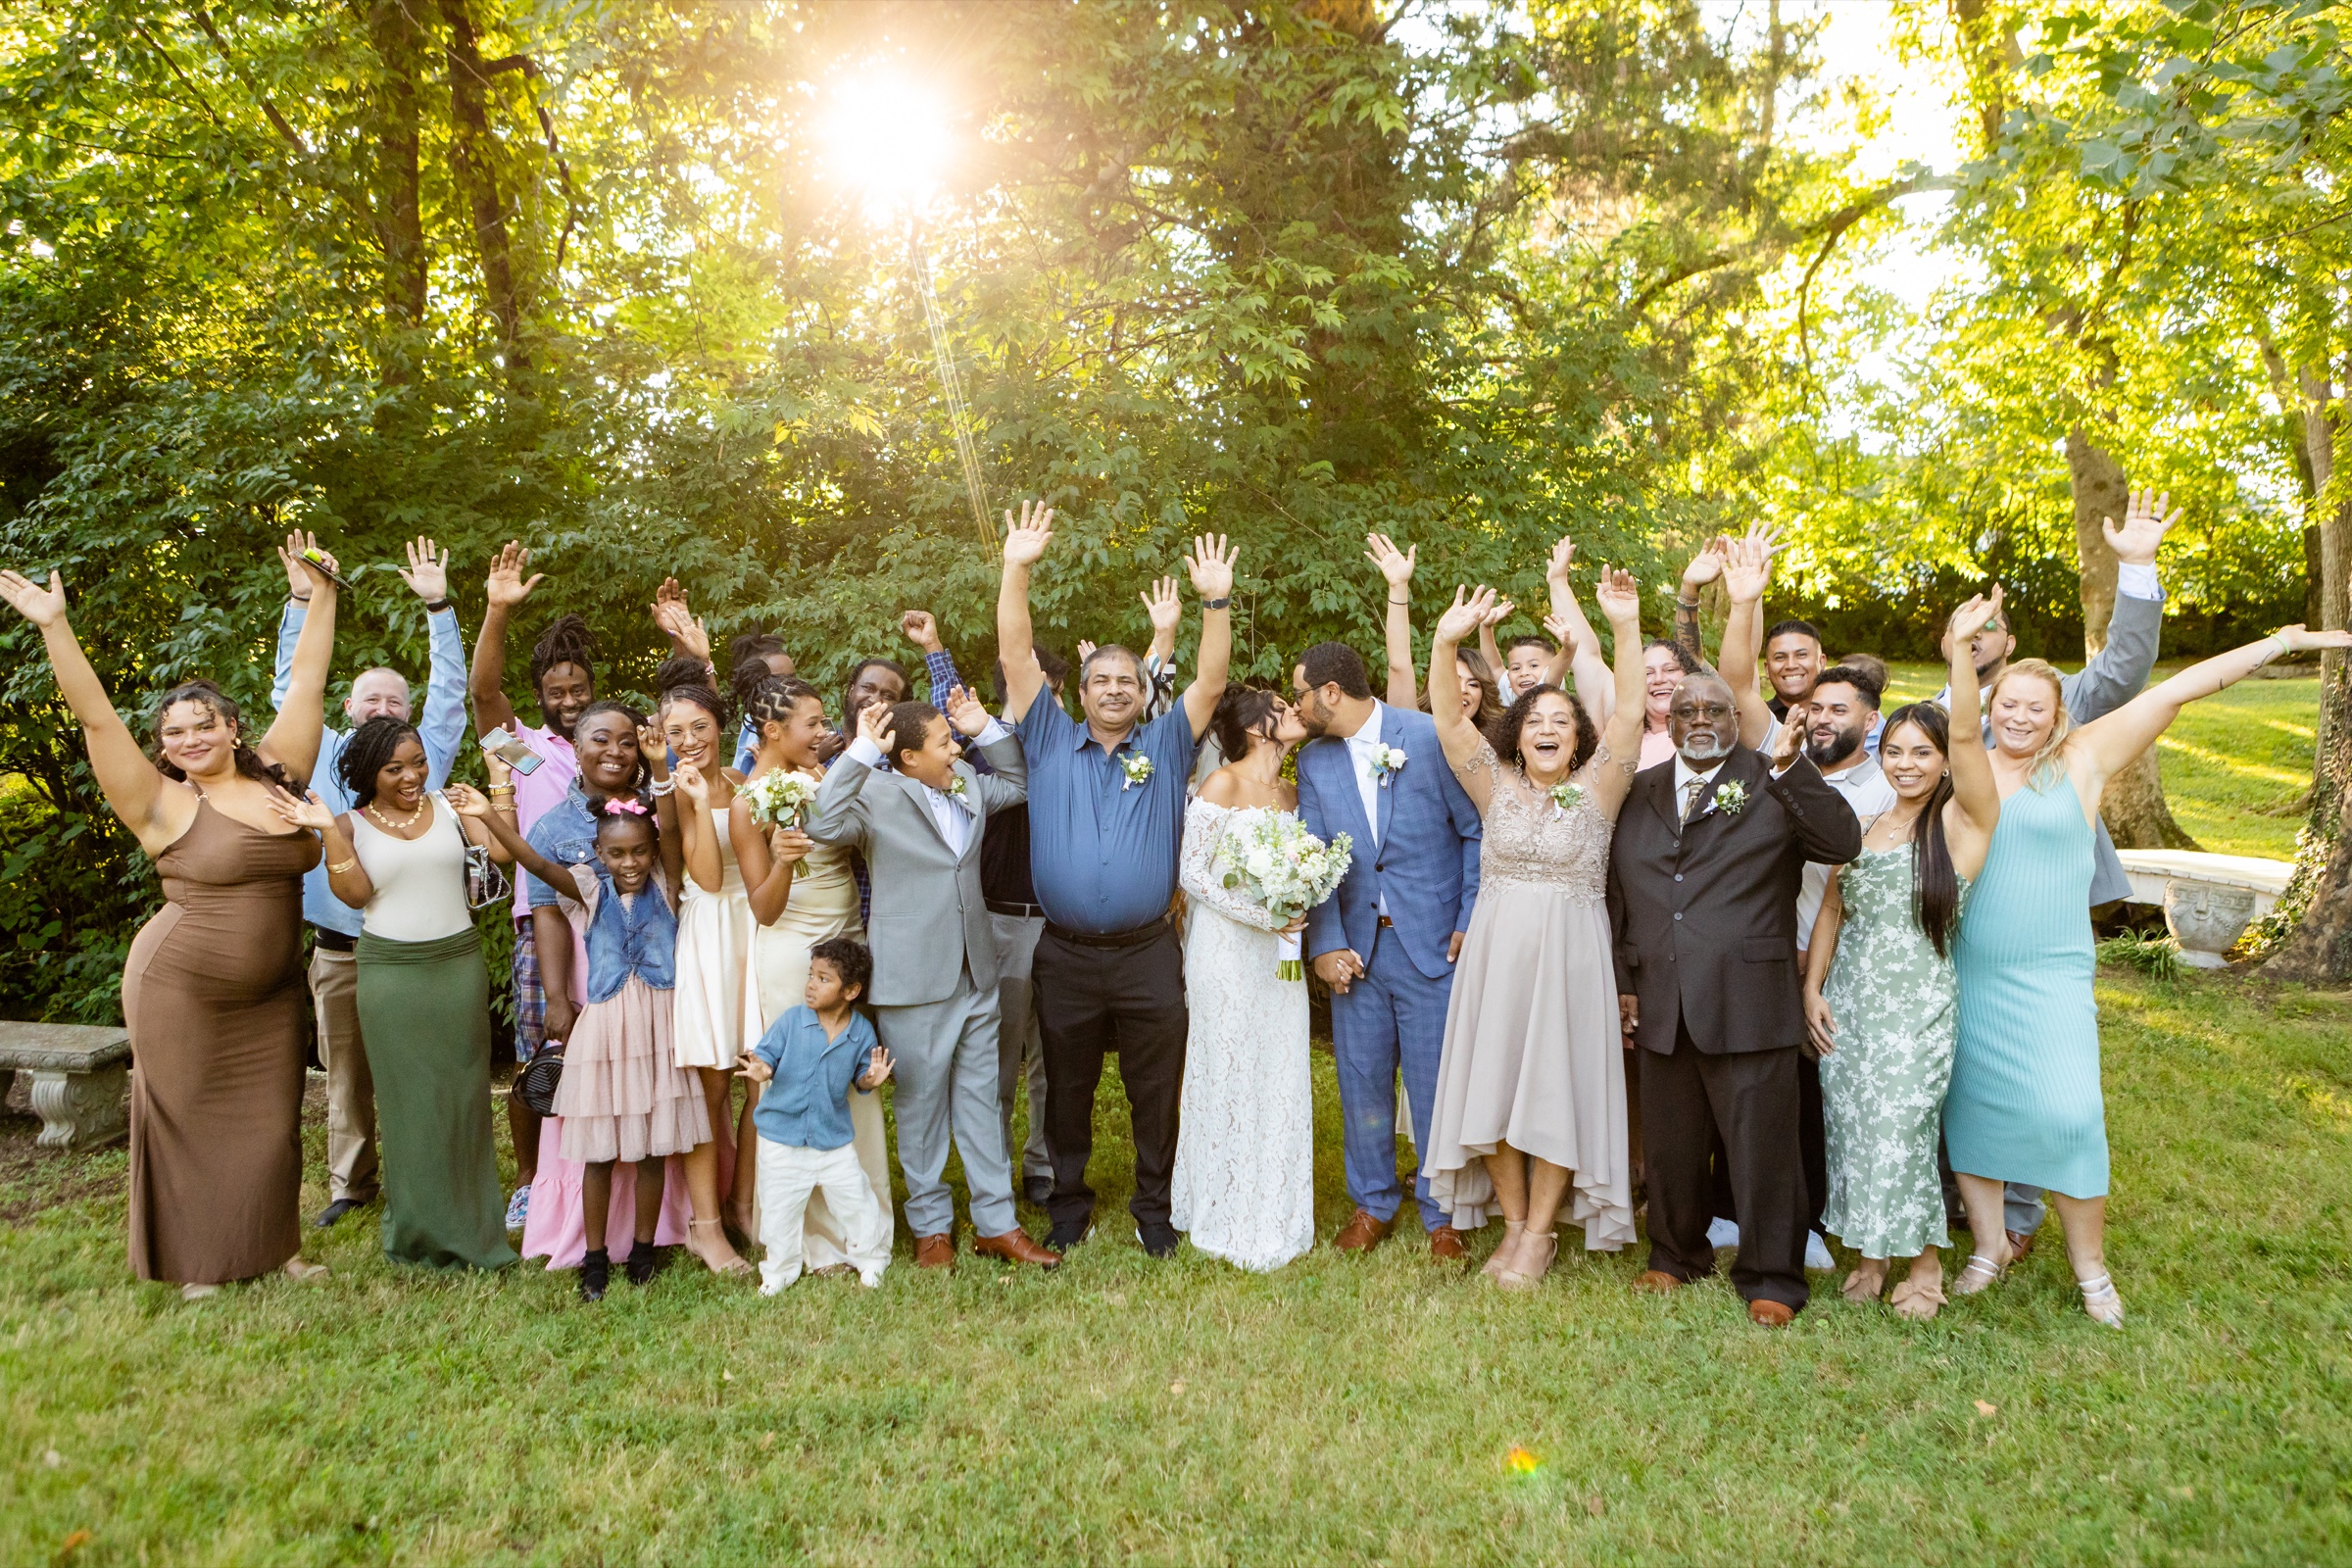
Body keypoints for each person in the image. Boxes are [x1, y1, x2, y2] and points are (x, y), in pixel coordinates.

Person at [1946, 617, 2351, 1326]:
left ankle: (2091, 1270)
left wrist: (2279, 645)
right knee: (1973, 1107)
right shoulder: (1968, 764)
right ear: (1990, 704)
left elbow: (2180, 692)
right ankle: (1988, 1249)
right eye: (2007, 703)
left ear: (2057, 716)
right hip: (1972, 966)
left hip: (2052, 973)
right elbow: (1946, 745)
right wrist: (1957, 650)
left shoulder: (2083, 759)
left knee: (2072, 1114)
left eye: (2035, 707)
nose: (2018, 716)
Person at [0, 542, 338, 1299]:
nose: (188, 740)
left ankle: (276, 1247)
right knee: (187, 1121)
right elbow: (93, 721)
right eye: (175, 733)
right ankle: (198, 1266)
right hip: (180, 987)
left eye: (203, 725)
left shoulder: (281, 772)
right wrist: (54, 626)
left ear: (233, 726)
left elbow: (310, 681)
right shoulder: (160, 802)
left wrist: (325, 595)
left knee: (273, 1121)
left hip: (274, 990)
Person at [1936, 488, 2177, 1260]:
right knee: (1972, 1069)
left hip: (2047, 925)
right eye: (1968, 629)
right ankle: (1979, 1213)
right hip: (1970, 926)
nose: (1979, 638)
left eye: (1990, 627)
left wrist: (2136, 567)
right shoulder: (1935, 719)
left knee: (2051, 1075)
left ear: (2005, 639)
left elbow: (2132, 666)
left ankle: (2025, 1214)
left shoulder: (2061, 699)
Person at [996, 502, 1238, 1257]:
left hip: (1146, 952)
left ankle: (1154, 1206)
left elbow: (1212, 676)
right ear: (1083, 690)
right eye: (1098, 679)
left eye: (1124, 680)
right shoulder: (1046, 736)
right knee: (1064, 1088)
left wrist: (1215, 601)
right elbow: (1015, 652)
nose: (1110, 689)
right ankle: (1067, 1202)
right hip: (1064, 952)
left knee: (1153, 1086)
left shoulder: (1167, 743)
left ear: (1141, 690)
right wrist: (1017, 567)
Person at [1608, 670, 1862, 1326]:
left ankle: (1772, 1275)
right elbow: (1619, 896)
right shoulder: (1638, 792)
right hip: (1662, 999)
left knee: (1763, 1149)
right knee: (1671, 1146)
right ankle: (1675, 1256)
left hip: (1750, 998)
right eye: (1686, 708)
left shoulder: (1771, 777)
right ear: (1667, 721)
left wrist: (1791, 769)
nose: (1699, 719)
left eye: (1714, 710)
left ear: (1735, 717)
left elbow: (1842, 842)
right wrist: (1625, 981)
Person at [1421, 566, 1648, 1286]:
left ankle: (1543, 1234)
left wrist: (1623, 627)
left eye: (1563, 722)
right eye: (1536, 722)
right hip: (1496, 957)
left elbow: (1633, 713)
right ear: (1517, 739)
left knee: (1555, 1088)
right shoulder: (1495, 785)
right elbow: (1448, 720)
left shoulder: (1599, 791)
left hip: (1572, 959)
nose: (1549, 729)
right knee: (1488, 1086)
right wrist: (1444, 640)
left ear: (1579, 738)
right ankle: (1513, 1226)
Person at [1801, 593, 2003, 1321]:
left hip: (1916, 998)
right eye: (1895, 752)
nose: (1908, 764)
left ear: (1943, 759)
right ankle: (1871, 1253)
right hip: (1850, 997)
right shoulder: (1864, 820)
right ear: (1878, 756)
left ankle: (1924, 1266)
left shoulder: (1961, 822)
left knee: (1902, 1127)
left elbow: (1975, 744)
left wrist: (1959, 649)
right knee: (1853, 1123)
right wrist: (1812, 989)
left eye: (1923, 751)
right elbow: (1830, 907)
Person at [807, 690, 1060, 1269]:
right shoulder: (873, 795)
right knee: (921, 1108)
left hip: (977, 971)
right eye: (945, 742)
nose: (956, 750)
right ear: (907, 757)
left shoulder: (968, 779)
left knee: (980, 1099)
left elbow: (1021, 784)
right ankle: (931, 1228)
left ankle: (997, 1224)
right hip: (913, 978)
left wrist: (987, 730)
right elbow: (821, 820)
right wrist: (862, 751)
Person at [274, 537, 467, 1233]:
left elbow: (449, 695)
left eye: (395, 698)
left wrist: (439, 608)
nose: (383, 705)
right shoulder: (316, 754)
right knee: (348, 1077)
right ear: (348, 708)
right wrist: (302, 600)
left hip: (420, 950)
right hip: (341, 950)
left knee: (425, 1070)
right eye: (370, 697)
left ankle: (435, 1169)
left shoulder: (425, 762)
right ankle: (351, 1185)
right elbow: (288, 684)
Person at [274, 718, 517, 1271]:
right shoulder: (350, 824)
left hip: (457, 964)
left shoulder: (452, 807)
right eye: (395, 768)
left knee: (463, 1098)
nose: (412, 775)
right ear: (369, 773)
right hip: (390, 974)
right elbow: (357, 893)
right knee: (407, 1105)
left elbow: (501, 853)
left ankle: (475, 1228)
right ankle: (417, 1232)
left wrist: (498, 782)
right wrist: (330, 834)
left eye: (418, 763)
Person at [1719, 533, 1896, 1270]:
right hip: (1774, 951)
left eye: (1837, 708)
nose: (1822, 718)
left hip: (1852, 960)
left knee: (1834, 1095)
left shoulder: (1890, 784)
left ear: (1868, 715)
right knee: (1775, 1090)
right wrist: (1745, 596)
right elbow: (1734, 678)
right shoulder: (1781, 755)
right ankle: (1749, 1213)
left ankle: (1830, 1218)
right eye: (1814, 709)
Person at [466, 788, 710, 1300]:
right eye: (617, 853)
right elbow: (534, 862)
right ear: (599, 854)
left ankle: (644, 1250)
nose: (630, 862)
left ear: (654, 849)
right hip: (605, 1028)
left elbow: (666, 824)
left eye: (639, 851)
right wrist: (490, 816)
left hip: (659, 1026)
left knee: (652, 1147)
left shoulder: (666, 881)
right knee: (598, 1153)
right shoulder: (589, 890)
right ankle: (594, 1258)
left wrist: (660, 770)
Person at [1294, 632, 1488, 1259]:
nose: (1293, 708)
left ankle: (1444, 1213)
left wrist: (1469, 916)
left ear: (1330, 692)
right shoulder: (1315, 762)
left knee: (1435, 1086)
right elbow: (1314, 857)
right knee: (1362, 1083)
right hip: (1357, 952)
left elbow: (1475, 832)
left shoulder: (1428, 737)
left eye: (1300, 696)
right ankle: (1373, 1203)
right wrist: (1323, 944)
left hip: (1432, 946)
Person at [513, 701, 694, 1269]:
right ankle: (590, 1247)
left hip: (655, 1004)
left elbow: (670, 845)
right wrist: (559, 996)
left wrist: (662, 768)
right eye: (599, 739)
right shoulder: (559, 835)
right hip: (597, 999)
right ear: (577, 744)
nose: (614, 751)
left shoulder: (653, 828)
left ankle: (648, 1240)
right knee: (593, 1135)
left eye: (625, 741)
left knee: (652, 1131)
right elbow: (543, 898)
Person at [901, 611, 1066, 1206]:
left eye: (1045, 685)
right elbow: (944, 715)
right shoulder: (975, 750)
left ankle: (1043, 1165)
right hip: (996, 921)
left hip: (1060, 923)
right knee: (995, 1059)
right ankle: (991, 1167)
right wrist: (936, 649)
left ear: (1059, 691)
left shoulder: (1071, 745)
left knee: (1054, 1055)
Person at [730, 672, 893, 1271]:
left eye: (827, 723)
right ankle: (800, 1233)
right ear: (772, 731)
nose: (825, 733)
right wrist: (779, 860)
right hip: (791, 948)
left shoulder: (825, 778)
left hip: (846, 936)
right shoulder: (749, 804)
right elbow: (764, 909)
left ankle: (862, 1226)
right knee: (800, 1081)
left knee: (851, 1074)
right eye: (814, 724)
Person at [468, 542, 602, 1231]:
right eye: (557, 692)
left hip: (610, 920)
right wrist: (497, 611)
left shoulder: (614, 745)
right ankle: (528, 1178)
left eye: (579, 690)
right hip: (539, 921)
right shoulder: (522, 751)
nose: (570, 701)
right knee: (537, 1051)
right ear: (542, 698)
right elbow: (483, 695)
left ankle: (598, 1174)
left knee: (607, 1048)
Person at [1170, 687, 1323, 1271]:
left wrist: (1294, 909)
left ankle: (1276, 1205)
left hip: (1280, 950)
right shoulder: (1222, 785)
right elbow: (1193, 876)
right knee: (1228, 1063)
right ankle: (1219, 1204)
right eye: (1282, 708)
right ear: (1258, 729)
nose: (1294, 711)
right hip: (1226, 949)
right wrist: (1263, 915)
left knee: (1280, 1065)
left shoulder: (1291, 792)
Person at [654, 659, 758, 1275]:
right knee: (711, 1085)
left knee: (756, 1078)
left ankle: (744, 1204)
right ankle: (704, 1227)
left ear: (721, 726)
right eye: (676, 733)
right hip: (710, 933)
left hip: (754, 930)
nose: (689, 740)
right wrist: (692, 803)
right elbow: (711, 879)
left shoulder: (748, 780)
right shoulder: (676, 793)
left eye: (700, 726)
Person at [738, 938, 897, 1292]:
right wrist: (761, 1069)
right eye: (811, 975)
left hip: (831, 1141)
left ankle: (872, 1258)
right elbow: (765, 1058)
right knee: (779, 1214)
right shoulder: (792, 1020)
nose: (811, 984)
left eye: (824, 979)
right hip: (782, 1140)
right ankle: (779, 1270)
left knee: (857, 1202)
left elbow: (861, 1079)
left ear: (851, 991)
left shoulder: (860, 1033)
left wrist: (871, 1078)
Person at [1364, 532, 1510, 730]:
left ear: (1484, 696)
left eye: (1474, 684)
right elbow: (1399, 664)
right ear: (1432, 686)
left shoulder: (1498, 745)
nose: (1462, 690)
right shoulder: (1414, 726)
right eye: (1454, 679)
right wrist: (1398, 587)